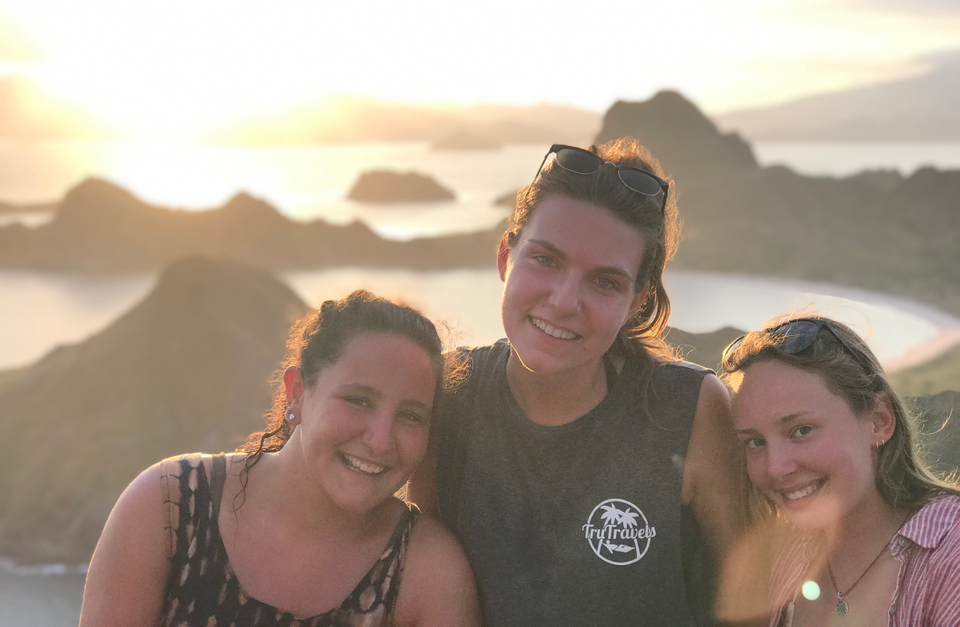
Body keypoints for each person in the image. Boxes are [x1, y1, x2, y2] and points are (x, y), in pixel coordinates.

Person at [408, 139, 744, 626]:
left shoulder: (689, 411)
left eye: (605, 282)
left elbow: (754, 602)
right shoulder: (452, 393)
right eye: (545, 259)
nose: (565, 301)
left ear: (636, 302)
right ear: (507, 256)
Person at [79, 290, 480, 627]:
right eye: (358, 400)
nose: (379, 441)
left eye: (410, 416)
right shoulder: (170, 505)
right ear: (297, 395)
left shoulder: (426, 573)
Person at [719, 314, 960, 626]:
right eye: (755, 442)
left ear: (879, 420)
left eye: (802, 430)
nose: (776, 468)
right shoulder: (785, 555)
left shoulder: (948, 553)